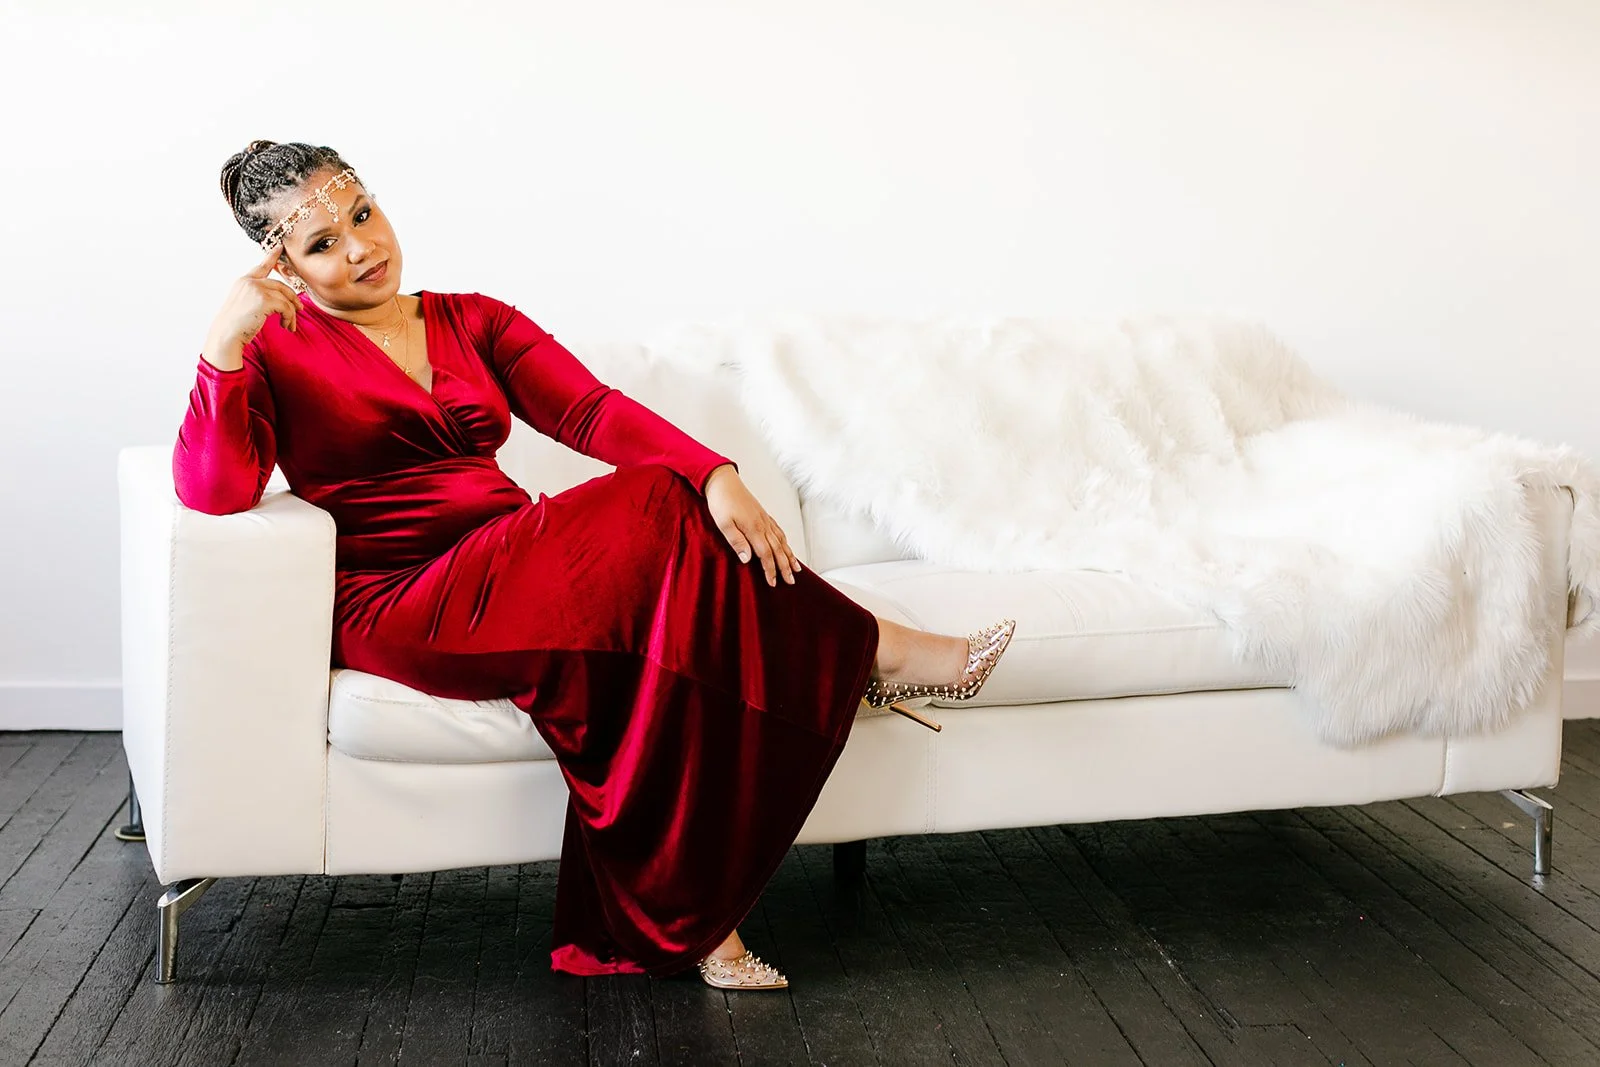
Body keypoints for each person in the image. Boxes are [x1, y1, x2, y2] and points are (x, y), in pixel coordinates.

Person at [174, 140, 1017, 991]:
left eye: (362, 214)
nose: (362, 247)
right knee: (658, 497)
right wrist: (223, 343)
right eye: (322, 244)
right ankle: (871, 648)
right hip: (403, 599)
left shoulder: (472, 317)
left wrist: (718, 472)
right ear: (278, 263)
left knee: (654, 649)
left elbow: (587, 409)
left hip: (519, 566)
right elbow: (215, 491)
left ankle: (700, 922)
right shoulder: (272, 345)